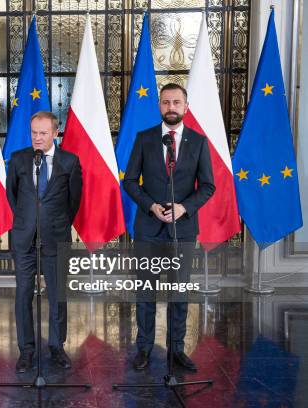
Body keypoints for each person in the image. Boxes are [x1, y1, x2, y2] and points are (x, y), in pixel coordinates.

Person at [123, 83, 215, 372]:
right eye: (166, 102)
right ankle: (145, 348)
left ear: (186, 107)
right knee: (146, 292)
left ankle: (177, 349)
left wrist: (183, 208)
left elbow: (208, 186)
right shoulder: (144, 138)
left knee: (179, 292)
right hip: (149, 228)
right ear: (159, 106)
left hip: (183, 230)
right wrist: (151, 205)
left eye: (176, 102)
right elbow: (129, 182)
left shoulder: (199, 142)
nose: (171, 107)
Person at [6, 111, 83, 373]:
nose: (37, 138)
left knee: (57, 296)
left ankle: (56, 347)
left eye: (43, 133)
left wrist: (54, 223)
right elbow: (12, 197)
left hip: (56, 237)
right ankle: (26, 350)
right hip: (24, 239)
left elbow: (73, 202)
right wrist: (29, 222)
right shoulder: (18, 159)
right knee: (23, 295)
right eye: (34, 133)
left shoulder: (70, 162)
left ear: (55, 133)